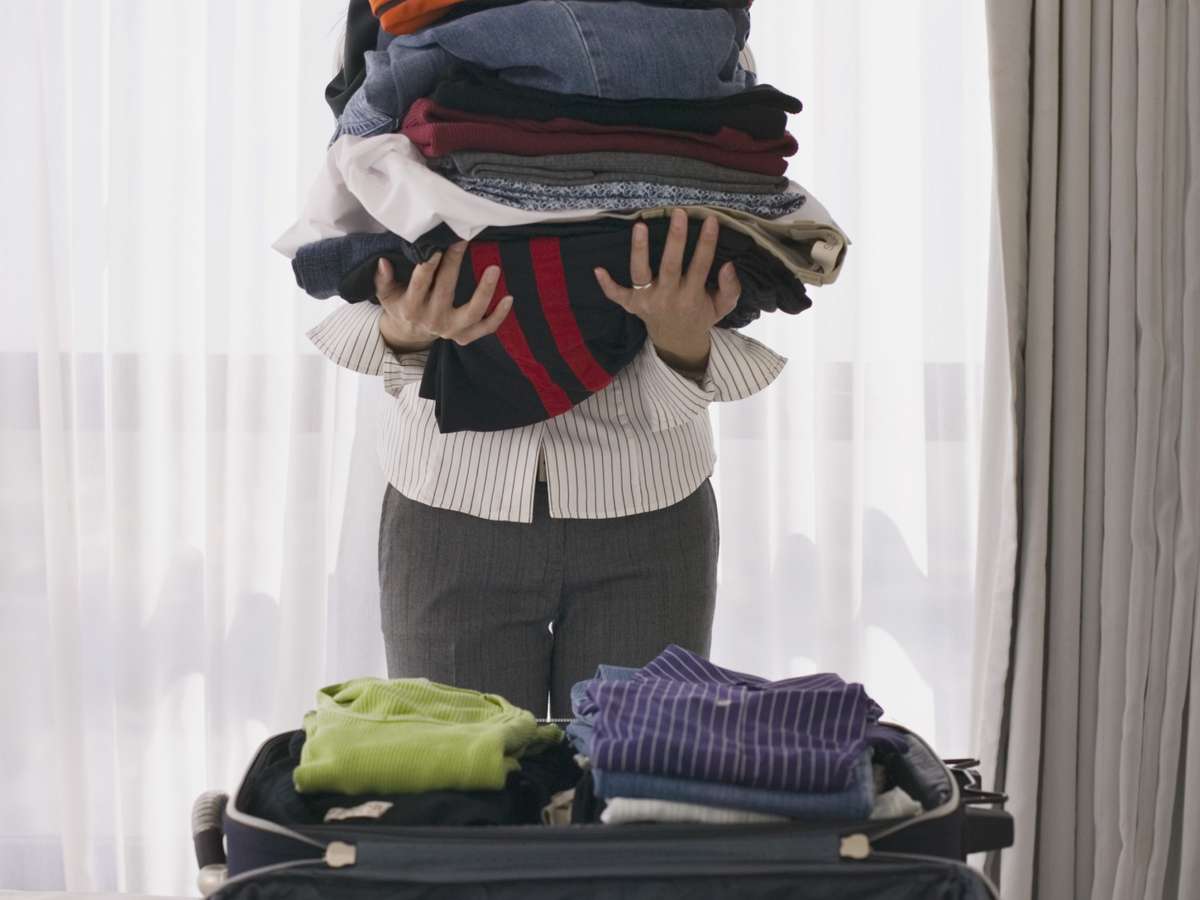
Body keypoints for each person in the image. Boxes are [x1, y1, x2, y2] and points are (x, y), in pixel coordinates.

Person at [310, 207, 785, 718]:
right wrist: (406, 324)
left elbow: (726, 253)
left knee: (636, 761)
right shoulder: (402, 158)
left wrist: (681, 339)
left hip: (649, 511)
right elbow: (356, 243)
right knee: (456, 762)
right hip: (447, 508)